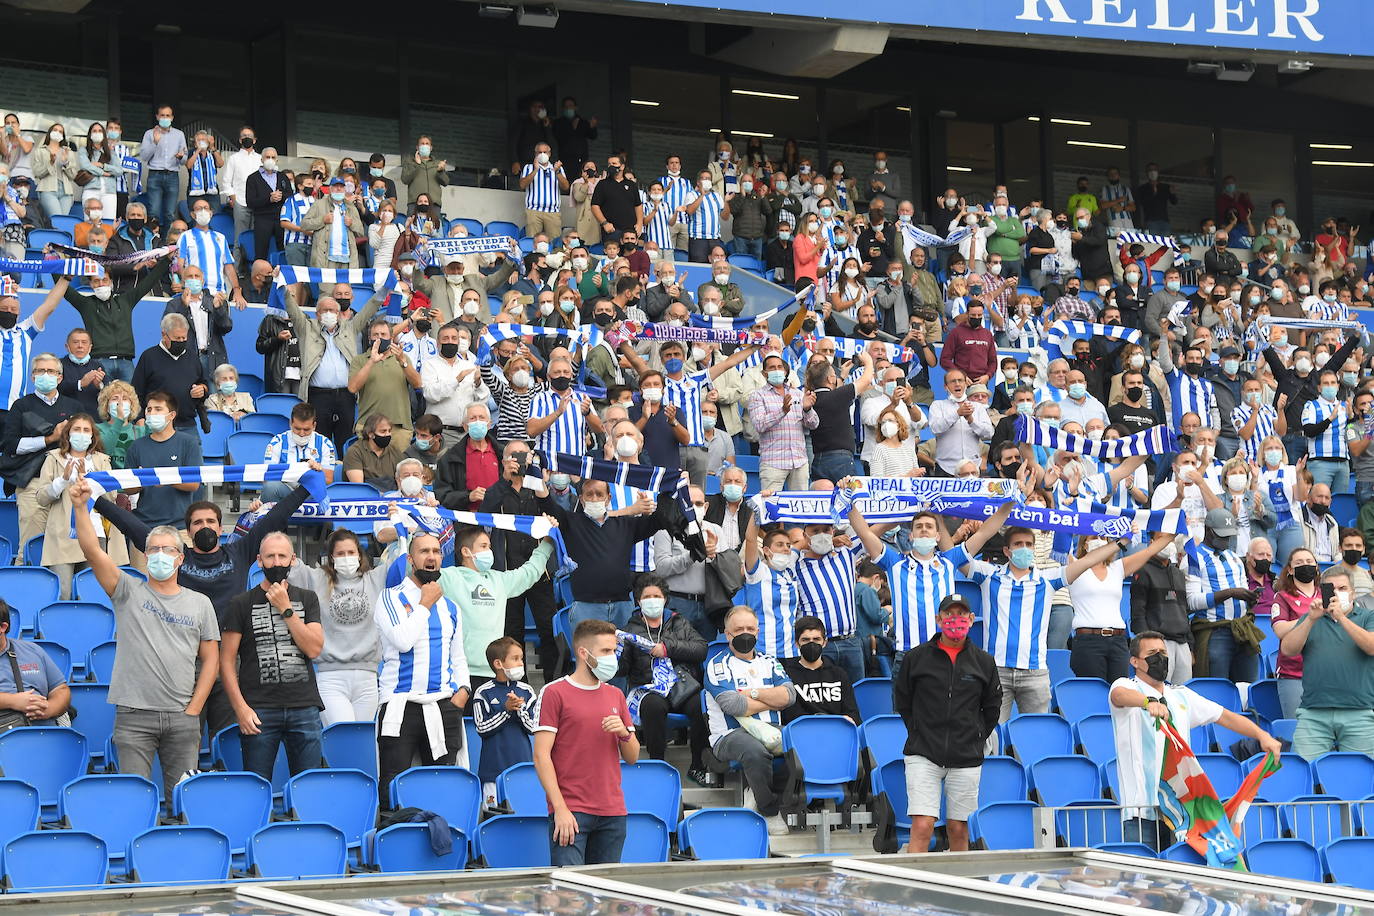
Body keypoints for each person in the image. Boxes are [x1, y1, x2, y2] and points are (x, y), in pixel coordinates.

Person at [70, 478, 219, 802]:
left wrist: (194, 709)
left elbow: (211, 660)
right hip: (134, 717)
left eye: (168, 550)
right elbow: (91, 550)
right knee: (134, 801)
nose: (160, 555)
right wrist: (81, 507)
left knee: (183, 803)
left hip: (183, 717)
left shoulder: (199, 603)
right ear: (145, 555)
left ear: (181, 558)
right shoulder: (127, 590)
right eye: (154, 549)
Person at [952, 500, 1125, 724]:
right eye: (1018, 544)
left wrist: (1121, 543)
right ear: (1007, 550)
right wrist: (940, 519)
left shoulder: (1048, 578)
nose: (1024, 548)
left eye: (1028, 544)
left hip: (1035, 673)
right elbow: (955, 558)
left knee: (1037, 733)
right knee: (989, 734)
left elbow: (1088, 560)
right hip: (997, 670)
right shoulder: (989, 575)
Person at [1109, 631, 1281, 850]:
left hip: (1182, 812)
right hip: (1141, 810)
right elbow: (1119, 696)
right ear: (1135, 661)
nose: (1160, 657)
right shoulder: (1127, 685)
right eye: (1152, 653)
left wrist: (1262, 735)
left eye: (1163, 652)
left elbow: (1225, 716)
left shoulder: (1181, 695)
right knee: (1143, 880)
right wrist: (1147, 701)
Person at [893, 593, 1001, 854]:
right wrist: (920, 731)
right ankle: (913, 889)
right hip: (923, 753)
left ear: (972, 619)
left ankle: (958, 888)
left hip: (966, 756)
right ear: (938, 619)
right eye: (949, 614)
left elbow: (992, 707)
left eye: (961, 614)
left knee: (959, 828)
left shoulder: (984, 661)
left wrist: (975, 737)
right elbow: (903, 702)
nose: (956, 620)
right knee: (922, 825)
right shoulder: (915, 658)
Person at [374, 533, 472, 804]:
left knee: (442, 786)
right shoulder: (389, 598)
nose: (431, 557)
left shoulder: (451, 607)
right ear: (410, 559)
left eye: (436, 551)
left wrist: (463, 690)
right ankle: (396, 839)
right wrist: (425, 603)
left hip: (443, 705)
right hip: (400, 705)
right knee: (394, 785)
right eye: (424, 552)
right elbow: (403, 641)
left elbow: (458, 655)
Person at [219, 532, 324, 781]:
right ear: (259, 561)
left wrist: (285, 608)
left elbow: (314, 649)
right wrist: (241, 708)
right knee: (256, 785)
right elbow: (226, 662)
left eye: (282, 556)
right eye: (270, 556)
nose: (276, 562)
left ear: (293, 559)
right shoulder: (240, 603)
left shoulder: (307, 599)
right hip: (259, 709)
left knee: (308, 785)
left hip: (304, 708)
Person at [534, 617, 639, 866]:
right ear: (583, 653)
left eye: (614, 650)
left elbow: (633, 756)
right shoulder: (554, 692)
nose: (612, 657)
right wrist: (559, 808)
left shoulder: (616, 694)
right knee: (569, 899)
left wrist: (624, 733)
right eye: (605, 651)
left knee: (607, 900)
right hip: (571, 811)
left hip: (613, 812)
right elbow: (540, 756)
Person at [435, 522, 554, 709]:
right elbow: (416, 570)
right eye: (483, 546)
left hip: (496, 672)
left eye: (489, 546)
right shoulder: (449, 577)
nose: (489, 551)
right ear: (466, 552)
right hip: (460, 674)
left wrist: (547, 542)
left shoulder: (499, 580)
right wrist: (409, 534)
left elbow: (529, 573)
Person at [704, 606, 797, 837]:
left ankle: (755, 794)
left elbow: (789, 696)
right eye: (738, 629)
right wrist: (772, 698)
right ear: (728, 634)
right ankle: (769, 812)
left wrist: (751, 694)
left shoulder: (770, 661)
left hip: (772, 730)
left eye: (750, 628)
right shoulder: (717, 665)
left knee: (800, 745)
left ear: (757, 631)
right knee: (755, 751)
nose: (745, 633)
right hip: (730, 735)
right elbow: (733, 706)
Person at [541, 477, 672, 629]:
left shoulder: (626, 524)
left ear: (608, 498)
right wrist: (537, 476)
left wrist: (671, 486)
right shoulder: (570, 522)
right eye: (589, 495)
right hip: (586, 607)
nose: (594, 498)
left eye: (599, 494)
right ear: (581, 499)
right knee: (587, 652)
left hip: (622, 606)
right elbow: (546, 503)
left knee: (626, 653)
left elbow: (660, 519)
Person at [616, 575, 710, 782]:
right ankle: (658, 763)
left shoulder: (678, 622)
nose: (652, 600)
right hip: (648, 688)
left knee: (700, 704)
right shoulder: (629, 629)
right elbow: (622, 670)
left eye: (656, 596)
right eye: (646, 596)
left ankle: (698, 764)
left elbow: (700, 648)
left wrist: (668, 648)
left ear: (665, 599)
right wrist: (612, 655)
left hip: (681, 686)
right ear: (638, 601)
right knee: (653, 706)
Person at [287, 530, 385, 726]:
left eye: (351, 552)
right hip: (330, 678)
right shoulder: (317, 579)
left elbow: (407, 558)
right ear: (331, 557)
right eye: (340, 554)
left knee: (363, 741)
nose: (346, 558)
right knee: (342, 736)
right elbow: (288, 563)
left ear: (359, 553)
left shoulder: (376, 579)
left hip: (368, 677)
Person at [1278, 569, 1374, 760]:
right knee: (1304, 771)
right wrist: (1311, 619)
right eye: (1332, 588)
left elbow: (1371, 646)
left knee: (1360, 777)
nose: (1337, 593)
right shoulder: (1312, 618)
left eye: (1343, 588)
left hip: (1359, 712)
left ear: (1353, 592)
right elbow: (1288, 650)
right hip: (1314, 712)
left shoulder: (1367, 616)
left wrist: (1342, 618)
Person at [34, 412, 126, 599]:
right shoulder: (53, 458)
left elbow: (111, 497)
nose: (82, 434)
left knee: (94, 594)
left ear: (92, 435)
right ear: (68, 433)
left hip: (95, 534)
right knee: (63, 593)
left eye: (86, 430)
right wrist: (63, 480)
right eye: (77, 429)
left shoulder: (102, 460)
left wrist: (90, 481)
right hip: (63, 535)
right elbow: (41, 498)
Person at [1, 351, 84, 548]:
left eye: (51, 371)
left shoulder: (75, 406)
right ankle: (27, 577)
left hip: (69, 484)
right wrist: (50, 439)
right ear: (32, 376)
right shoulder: (21, 406)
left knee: (66, 548)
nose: (45, 375)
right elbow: (10, 445)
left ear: (60, 377)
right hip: (32, 482)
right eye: (40, 371)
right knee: (30, 546)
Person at [1067, 532, 1175, 680]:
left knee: (1120, 691)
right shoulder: (1074, 565)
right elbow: (1061, 541)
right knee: (1094, 692)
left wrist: (1174, 532)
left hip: (1118, 641)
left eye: (1103, 538)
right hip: (1088, 641)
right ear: (1084, 544)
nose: (1099, 541)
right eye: (1093, 538)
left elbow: (1149, 551)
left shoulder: (1117, 568)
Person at [63, 254, 171, 383]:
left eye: (104, 280)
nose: (101, 284)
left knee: (130, 400)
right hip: (99, 362)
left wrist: (167, 260)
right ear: (91, 284)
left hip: (126, 362)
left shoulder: (125, 300)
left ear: (111, 282)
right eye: (96, 281)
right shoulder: (86, 304)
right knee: (103, 400)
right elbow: (65, 290)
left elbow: (149, 282)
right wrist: (52, 261)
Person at [1188, 506, 1263, 683]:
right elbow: (1191, 602)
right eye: (1221, 535)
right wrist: (1230, 593)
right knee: (1217, 686)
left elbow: (1243, 587)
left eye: (1229, 535)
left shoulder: (1235, 558)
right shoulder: (1193, 557)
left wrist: (1251, 598)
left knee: (1247, 686)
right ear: (1208, 531)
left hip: (1243, 630)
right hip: (1215, 631)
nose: (1226, 539)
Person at [473, 636, 538, 808]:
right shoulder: (483, 692)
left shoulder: (527, 690)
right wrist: (506, 710)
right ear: (498, 664)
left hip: (522, 770)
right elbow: (481, 727)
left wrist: (520, 709)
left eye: (522, 659)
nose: (520, 663)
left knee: (522, 813)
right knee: (492, 815)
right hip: (492, 771)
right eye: (515, 659)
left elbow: (533, 727)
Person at [1129, 541, 1193, 682]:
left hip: (1182, 643)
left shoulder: (1178, 574)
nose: (1166, 543)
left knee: (1183, 693)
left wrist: (1190, 645)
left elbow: (1184, 611)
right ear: (1152, 542)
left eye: (1169, 539)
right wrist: (1146, 644)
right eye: (1161, 538)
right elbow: (1138, 612)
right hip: (1158, 643)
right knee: (1158, 689)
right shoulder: (1143, 570)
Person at [0, 598, 70, 727]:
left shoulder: (33, 650)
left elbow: (61, 689)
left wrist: (49, 709)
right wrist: (12, 701)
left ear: (3, 627)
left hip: (43, 732)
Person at [782, 615, 861, 724]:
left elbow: (853, 713)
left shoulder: (839, 674)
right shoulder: (787, 675)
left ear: (824, 642)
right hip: (803, 732)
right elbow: (789, 716)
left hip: (836, 731)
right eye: (805, 640)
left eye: (816, 639)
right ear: (797, 643)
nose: (811, 643)